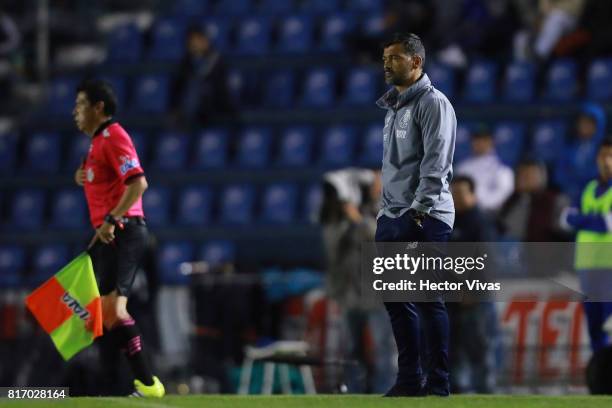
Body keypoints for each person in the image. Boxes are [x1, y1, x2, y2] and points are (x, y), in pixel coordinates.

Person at [72, 79, 164, 397]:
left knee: (113, 310)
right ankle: (113, 384)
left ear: (99, 108)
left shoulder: (114, 136)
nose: (75, 112)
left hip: (124, 229)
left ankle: (149, 384)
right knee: (103, 314)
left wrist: (113, 218)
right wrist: (80, 175)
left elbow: (138, 184)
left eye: (81, 105)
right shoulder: (97, 143)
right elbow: (102, 178)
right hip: (108, 234)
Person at [375, 33, 456, 397]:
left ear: (416, 62)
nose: (387, 64)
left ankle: (438, 383)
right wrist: (385, 214)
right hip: (392, 214)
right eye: (385, 58)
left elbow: (436, 164)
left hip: (426, 215)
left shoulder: (433, 103)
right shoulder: (393, 106)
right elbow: (394, 167)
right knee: (396, 300)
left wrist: (418, 213)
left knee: (427, 299)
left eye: (394, 58)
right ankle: (409, 379)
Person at [448, 175, 498, 393]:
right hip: (449, 299)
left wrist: (472, 291)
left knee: (478, 350)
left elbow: (485, 261)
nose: (456, 198)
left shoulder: (480, 223)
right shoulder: (447, 221)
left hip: (474, 300)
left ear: (473, 195)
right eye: (453, 193)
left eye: (461, 193)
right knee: (451, 351)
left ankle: (486, 393)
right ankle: (456, 392)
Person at [562, 139, 612, 353]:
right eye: (603, 155)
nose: (607, 161)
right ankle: (601, 375)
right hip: (587, 266)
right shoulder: (588, 187)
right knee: (593, 323)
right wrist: (596, 220)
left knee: (609, 323)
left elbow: (607, 223)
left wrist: (583, 219)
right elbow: (565, 219)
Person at [171, 26, 233, 125]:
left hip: (214, 107)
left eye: (199, 40)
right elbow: (177, 88)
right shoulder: (185, 63)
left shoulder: (217, 60)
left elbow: (222, 89)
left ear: (206, 41)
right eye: (192, 41)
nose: (195, 44)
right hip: (191, 109)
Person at [498, 159, 569, 241]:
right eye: (520, 175)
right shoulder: (511, 201)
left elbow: (564, 232)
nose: (523, 180)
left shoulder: (555, 201)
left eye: (528, 176)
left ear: (541, 177)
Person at [555, 102, 606, 202]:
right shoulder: (569, 147)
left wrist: (580, 178)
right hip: (570, 195)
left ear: (598, 124)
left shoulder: (605, 148)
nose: (584, 126)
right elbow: (559, 174)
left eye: (589, 123)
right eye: (582, 122)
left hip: (597, 196)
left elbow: (603, 173)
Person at [456, 125, 514, 213]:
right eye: (476, 139)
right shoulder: (462, 167)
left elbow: (503, 194)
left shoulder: (502, 169)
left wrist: (477, 204)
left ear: (491, 141)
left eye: (484, 139)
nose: (479, 143)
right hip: (463, 212)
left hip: (490, 215)